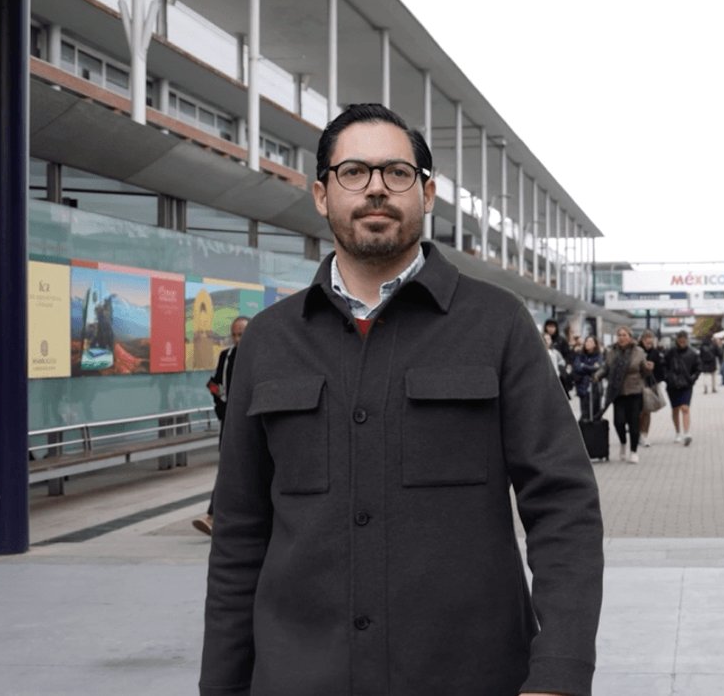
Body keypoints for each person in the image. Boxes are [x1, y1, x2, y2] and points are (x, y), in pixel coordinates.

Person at [200, 104, 603, 696]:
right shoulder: (269, 340)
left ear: (427, 192)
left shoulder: (497, 326)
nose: (376, 191)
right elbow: (238, 531)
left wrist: (560, 674)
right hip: (299, 677)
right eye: (354, 173)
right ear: (321, 193)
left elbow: (563, 506)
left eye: (396, 173)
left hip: (470, 674)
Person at [193, 315, 249, 536]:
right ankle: (213, 516)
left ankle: (219, 516)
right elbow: (215, 385)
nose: (237, 339)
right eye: (234, 335)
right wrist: (222, 409)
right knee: (229, 467)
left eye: (241, 335)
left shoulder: (261, 355)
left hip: (254, 422)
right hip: (231, 423)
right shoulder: (226, 356)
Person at [599, 326, 648, 463]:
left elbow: (644, 372)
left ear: (630, 337)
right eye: (619, 335)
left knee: (634, 422)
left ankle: (633, 451)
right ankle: (623, 443)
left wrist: (649, 368)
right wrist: (597, 375)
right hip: (617, 391)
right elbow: (606, 368)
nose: (621, 337)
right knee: (618, 422)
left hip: (634, 391)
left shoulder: (638, 352)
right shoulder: (611, 352)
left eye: (624, 335)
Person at [663, 331, 700, 446]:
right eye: (680, 340)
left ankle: (687, 433)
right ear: (677, 340)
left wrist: (692, 379)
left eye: (684, 340)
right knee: (675, 409)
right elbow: (663, 365)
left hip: (686, 385)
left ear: (687, 340)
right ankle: (677, 432)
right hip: (672, 385)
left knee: (685, 408)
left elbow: (698, 368)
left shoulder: (693, 354)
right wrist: (667, 377)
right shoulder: (670, 352)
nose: (682, 342)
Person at [638, 328, 665, 447]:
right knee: (637, 412)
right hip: (637, 385)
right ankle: (637, 434)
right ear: (642, 340)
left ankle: (644, 435)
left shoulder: (655, 353)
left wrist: (657, 377)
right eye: (647, 341)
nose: (649, 343)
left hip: (650, 385)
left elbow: (660, 370)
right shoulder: (636, 351)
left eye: (651, 341)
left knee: (647, 411)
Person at [572, 335, 605, 421]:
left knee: (595, 412)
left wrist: (584, 366)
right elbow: (576, 367)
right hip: (582, 387)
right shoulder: (580, 355)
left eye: (590, 342)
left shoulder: (599, 355)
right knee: (584, 413)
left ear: (595, 344)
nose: (587, 343)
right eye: (586, 341)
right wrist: (590, 368)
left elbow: (598, 368)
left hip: (595, 388)